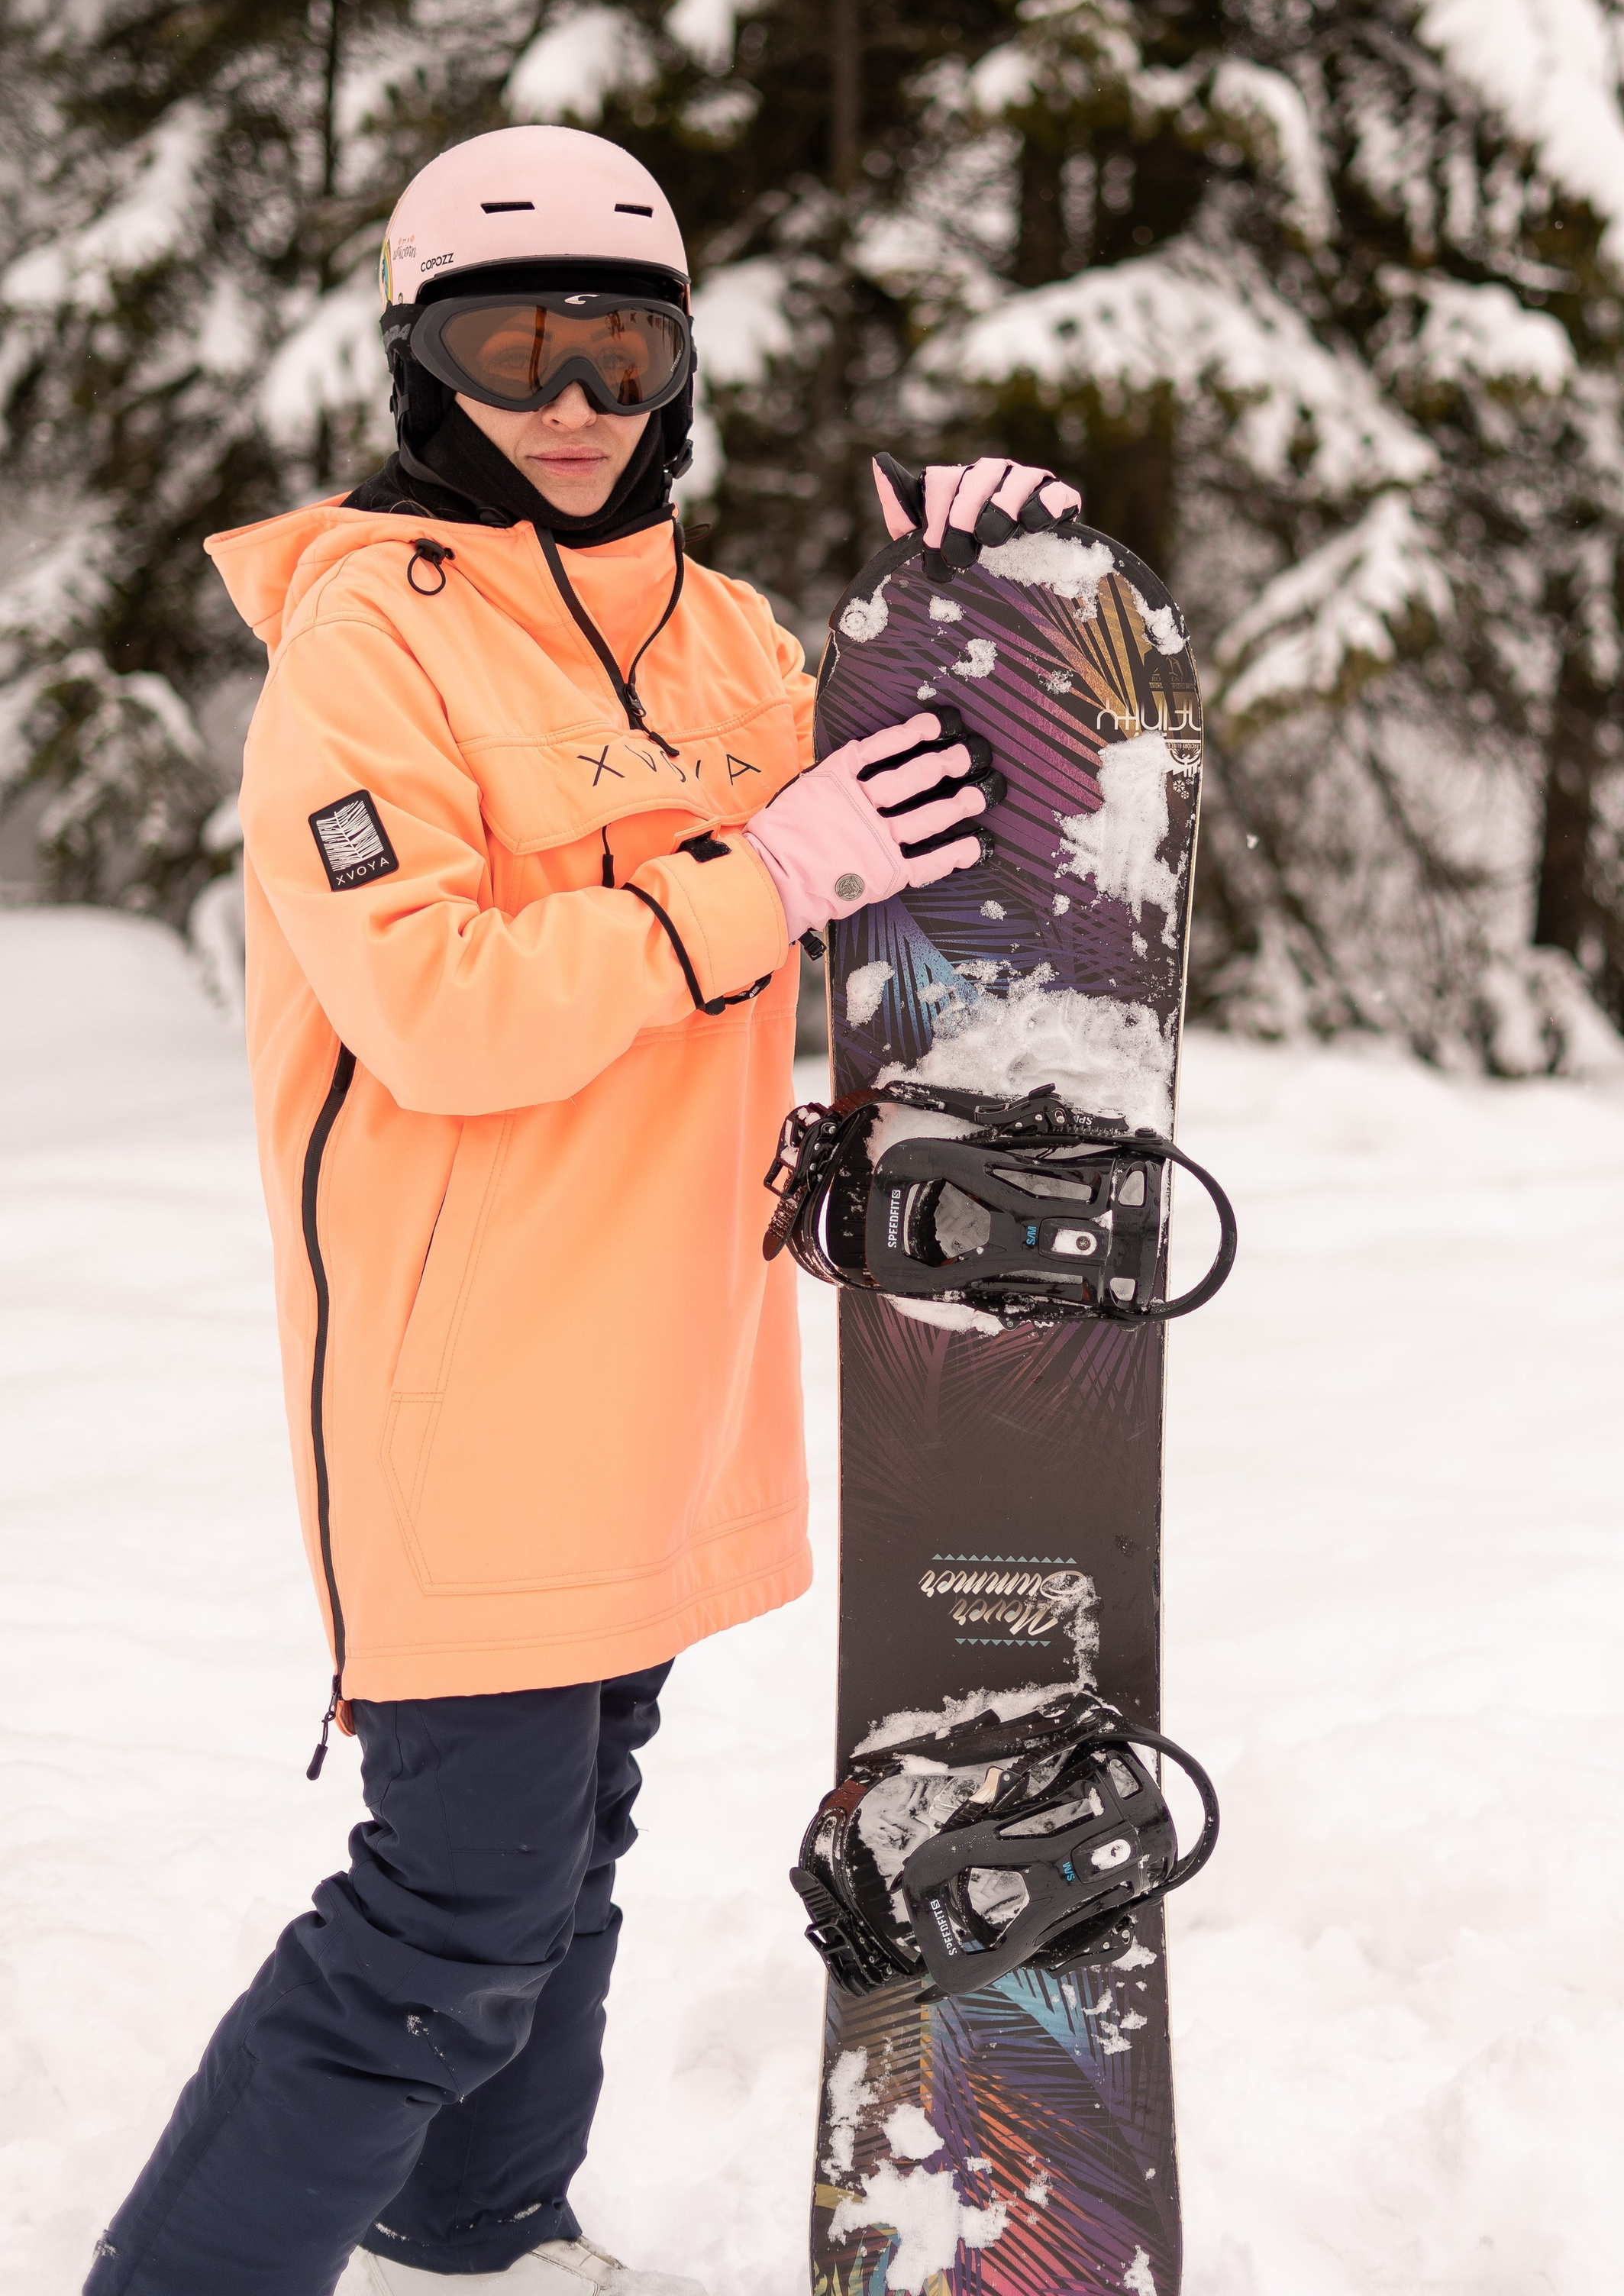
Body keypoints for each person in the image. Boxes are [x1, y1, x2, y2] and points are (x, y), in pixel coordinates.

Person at [84, 125, 1080, 2296]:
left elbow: (941, 786)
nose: (563, 399)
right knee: (445, 1916)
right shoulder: (371, 654)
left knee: (565, 1860)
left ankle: (483, 2235)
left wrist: (989, 583)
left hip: (663, 1363)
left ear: (680, 370)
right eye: (506, 343)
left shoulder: (725, 638)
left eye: (613, 348)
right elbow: (436, 1005)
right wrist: (757, 880)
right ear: (418, 368)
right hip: (468, 1388)